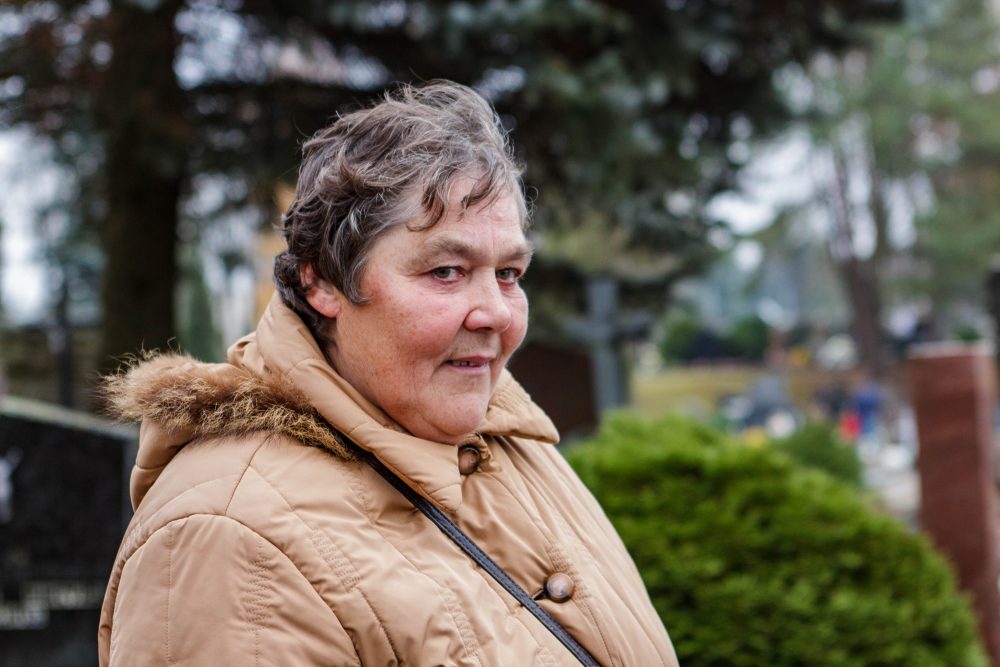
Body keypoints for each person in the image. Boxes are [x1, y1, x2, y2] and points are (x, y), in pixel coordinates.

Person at [98, 80, 678, 666]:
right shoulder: (229, 541)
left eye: (508, 273)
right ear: (322, 282)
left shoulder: (512, 439)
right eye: (446, 271)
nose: (498, 313)